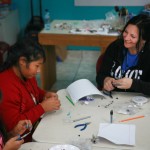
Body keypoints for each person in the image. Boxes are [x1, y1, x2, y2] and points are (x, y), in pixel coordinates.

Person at [0, 38, 61, 142]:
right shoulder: (5, 86)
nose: (38, 71)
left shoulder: (26, 74)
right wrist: (42, 108)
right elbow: (14, 127)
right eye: (37, 65)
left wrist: (44, 94)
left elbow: (33, 92)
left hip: (36, 128)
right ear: (22, 61)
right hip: (21, 141)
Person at [96, 14, 150, 95]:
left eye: (132, 36)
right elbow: (100, 75)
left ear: (144, 40)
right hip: (114, 99)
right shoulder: (115, 47)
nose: (126, 38)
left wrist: (133, 84)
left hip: (140, 102)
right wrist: (105, 79)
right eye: (125, 32)